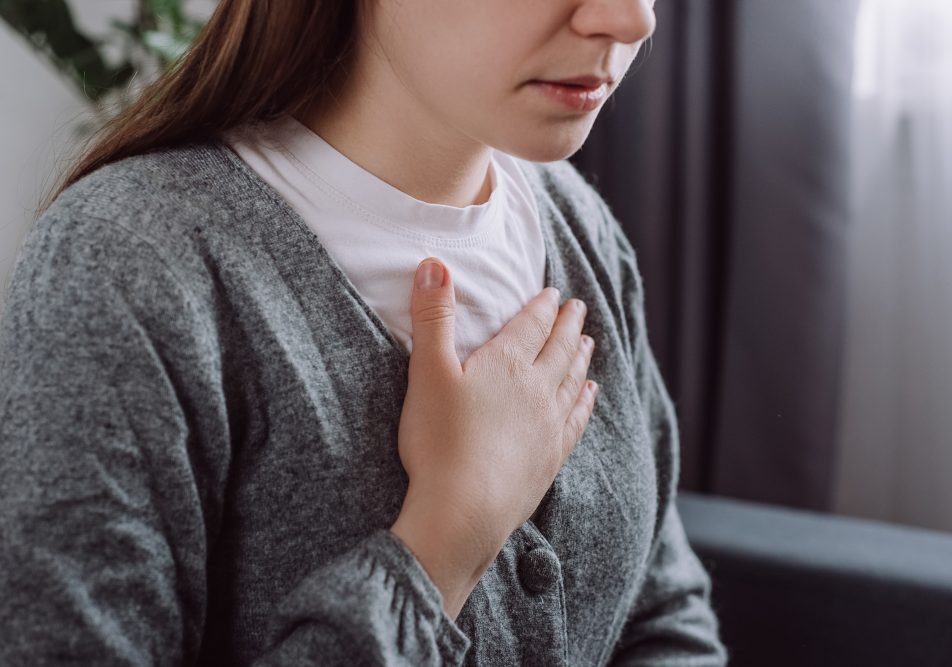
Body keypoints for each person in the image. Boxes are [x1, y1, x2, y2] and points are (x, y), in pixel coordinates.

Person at [0, 0, 727, 664]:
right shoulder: (127, 264)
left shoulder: (577, 223)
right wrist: (446, 537)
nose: (632, 21)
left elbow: (665, 615)